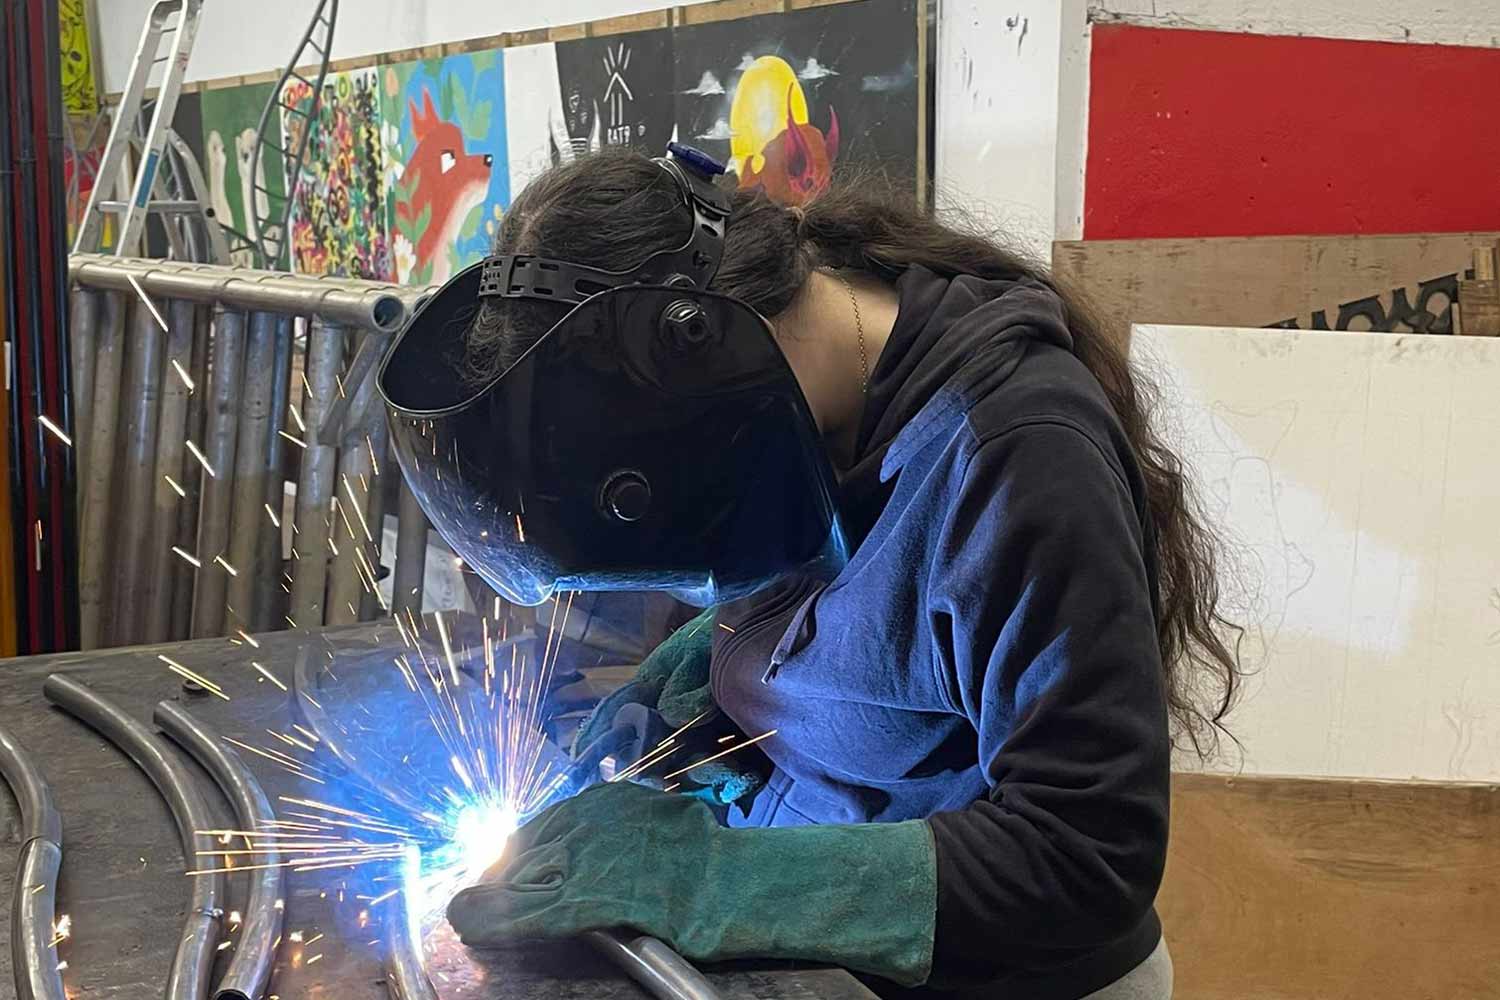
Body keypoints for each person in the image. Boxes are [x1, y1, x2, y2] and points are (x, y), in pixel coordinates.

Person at [379, 146, 1239, 1000]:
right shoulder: (791, 414)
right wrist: (716, 702)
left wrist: (707, 879)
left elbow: (1087, 856)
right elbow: (860, 627)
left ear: (705, 357)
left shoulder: (1020, 461)